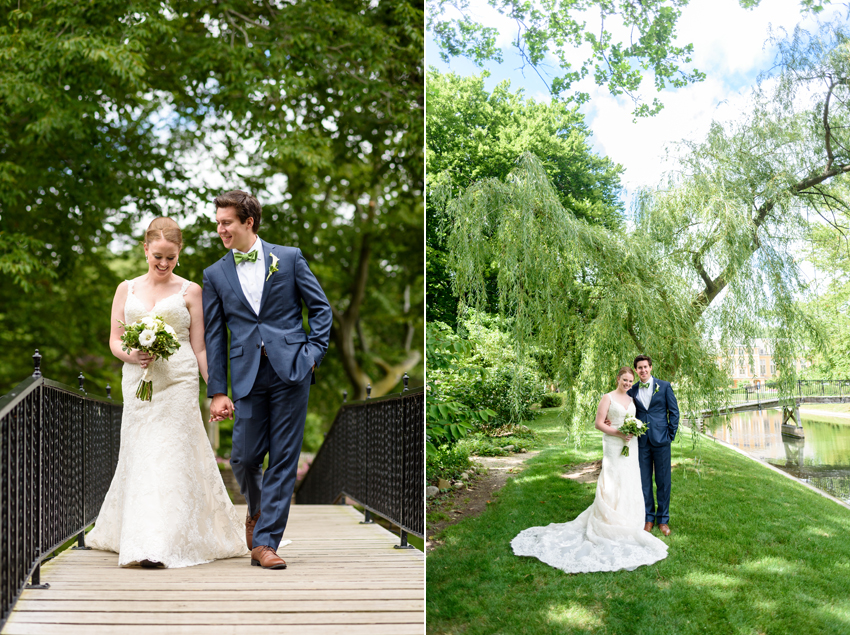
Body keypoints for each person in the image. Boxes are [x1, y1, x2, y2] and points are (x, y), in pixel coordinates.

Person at [87, 217, 248, 568]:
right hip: (139, 384)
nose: (163, 264)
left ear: (179, 255)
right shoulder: (125, 289)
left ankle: (161, 544)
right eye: (157, 256)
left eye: (171, 258)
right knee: (142, 455)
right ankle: (142, 537)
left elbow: (201, 347)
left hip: (179, 383)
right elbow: (114, 340)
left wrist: (216, 391)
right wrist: (132, 354)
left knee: (169, 457)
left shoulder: (190, 291)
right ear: (145, 249)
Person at [203, 190, 332, 570]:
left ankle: (265, 544)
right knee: (243, 457)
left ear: (248, 222)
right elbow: (214, 336)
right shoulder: (214, 274)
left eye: (226, 222)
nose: (220, 229)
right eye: (218, 222)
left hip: (292, 368)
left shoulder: (288, 258)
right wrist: (218, 390)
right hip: (245, 376)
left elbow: (320, 309)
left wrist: (312, 355)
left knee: (284, 458)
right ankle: (256, 512)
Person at [511, 367, 668, 573]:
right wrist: (619, 433)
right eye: (625, 380)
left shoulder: (631, 400)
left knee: (630, 478)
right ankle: (609, 517)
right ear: (617, 379)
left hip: (631, 444)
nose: (628, 383)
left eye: (630, 381)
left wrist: (633, 430)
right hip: (614, 443)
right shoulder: (607, 397)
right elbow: (598, 424)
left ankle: (630, 517)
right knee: (614, 476)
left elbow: (635, 418)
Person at [628, 354, 679, 536]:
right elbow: (626, 413)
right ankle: (648, 518)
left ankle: (663, 520)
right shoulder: (632, 391)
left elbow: (674, 412)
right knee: (644, 482)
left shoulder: (664, 386)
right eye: (639, 368)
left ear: (651, 368)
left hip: (662, 440)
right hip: (641, 442)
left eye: (645, 367)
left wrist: (670, 435)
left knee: (663, 481)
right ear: (636, 370)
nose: (643, 370)